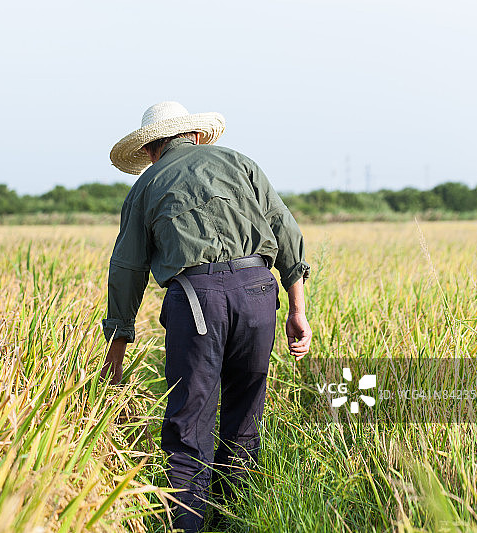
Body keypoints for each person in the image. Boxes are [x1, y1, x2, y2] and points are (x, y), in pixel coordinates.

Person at [101, 101, 312, 532]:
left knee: (189, 422)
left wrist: (116, 355)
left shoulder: (146, 187)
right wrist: (298, 309)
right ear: (195, 136)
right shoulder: (240, 163)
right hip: (259, 294)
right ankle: (237, 520)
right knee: (245, 414)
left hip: (198, 300)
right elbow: (286, 231)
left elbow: (126, 270)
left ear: (152, 149)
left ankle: (188, 525)